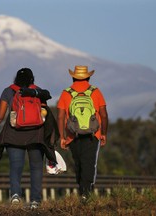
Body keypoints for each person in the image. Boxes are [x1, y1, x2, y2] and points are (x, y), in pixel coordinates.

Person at [0, 68, 57, 209]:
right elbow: (44, 114)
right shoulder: (38, 91)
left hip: (13, 134)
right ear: (32, 79)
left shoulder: (8, 91)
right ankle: (35, 201)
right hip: (35, 134)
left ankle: (15, 196)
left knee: (15, 167)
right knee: (36, 167)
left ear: (15, 79)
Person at [57, 65, 108, 202]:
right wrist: (103, 133)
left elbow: (61, 117)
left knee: (78, 163)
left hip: (73, 136)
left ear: (73, 77)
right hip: (93, 135)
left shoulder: (66, 93)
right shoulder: (95, 92)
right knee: (90, 163)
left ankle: (83, 191)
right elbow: (103, 115)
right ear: (89, 77)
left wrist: (62, 137)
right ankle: (86, 193)